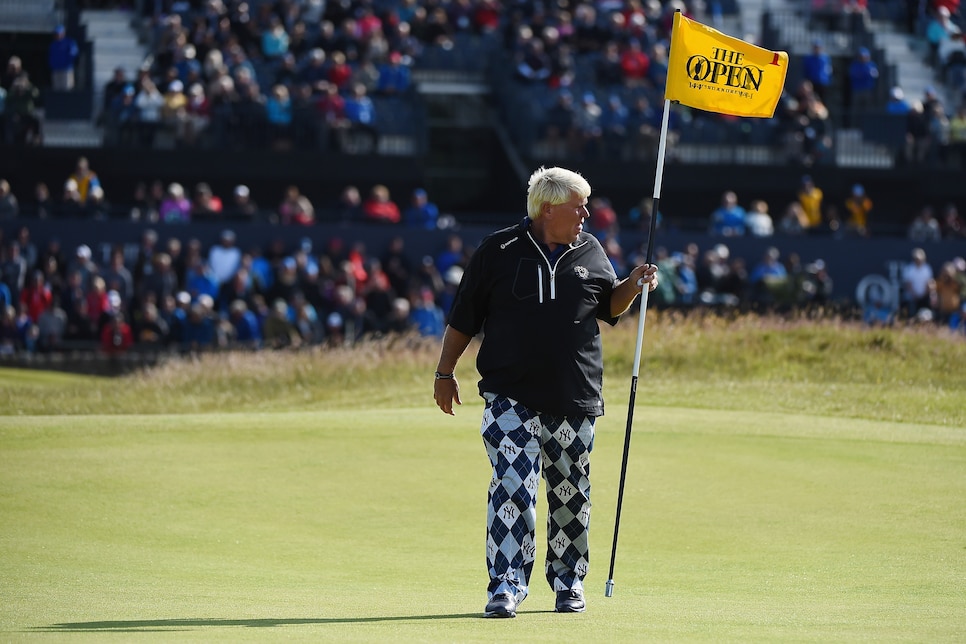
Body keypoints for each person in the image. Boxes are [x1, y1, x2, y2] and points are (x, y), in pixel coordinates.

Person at [432, 166, 659, 619]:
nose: (587, 214)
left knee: (571, 492)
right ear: (548, 208)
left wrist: (632, 285)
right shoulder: (498, 249)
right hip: (509, 395)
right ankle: (506, 585)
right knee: (513, 487)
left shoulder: (591, 250)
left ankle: (569, 580)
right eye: (579, 207)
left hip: (574, 396)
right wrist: (444, 372)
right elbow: (464, 317)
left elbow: (606, 305)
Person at [48, 25, 79, 91]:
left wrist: (67, 63)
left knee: (66, 88)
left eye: (59, 33)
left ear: (63, 33)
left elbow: (73, 53)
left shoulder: (69, 42)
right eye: (56, 34)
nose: (57, 35)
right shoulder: (53, 44)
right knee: (56, 88)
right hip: (56, 69)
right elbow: (51, 56)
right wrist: (53, 65)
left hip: (66, 70)